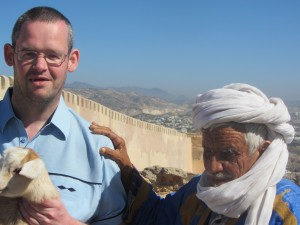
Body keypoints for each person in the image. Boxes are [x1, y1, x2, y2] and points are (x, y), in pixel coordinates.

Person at [90, 83, 300, 225]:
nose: (212, 167)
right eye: (207, 152)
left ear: (261, 151)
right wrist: (128, 170)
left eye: (228, 154)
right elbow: (155, 217)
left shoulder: (286, 209)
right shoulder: (199, 191)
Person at [0, 6, 126, 225]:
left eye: (53, 56)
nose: (40, 66)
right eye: (29, 54)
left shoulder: (98, 151)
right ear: (10, 56)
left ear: (72, 60)